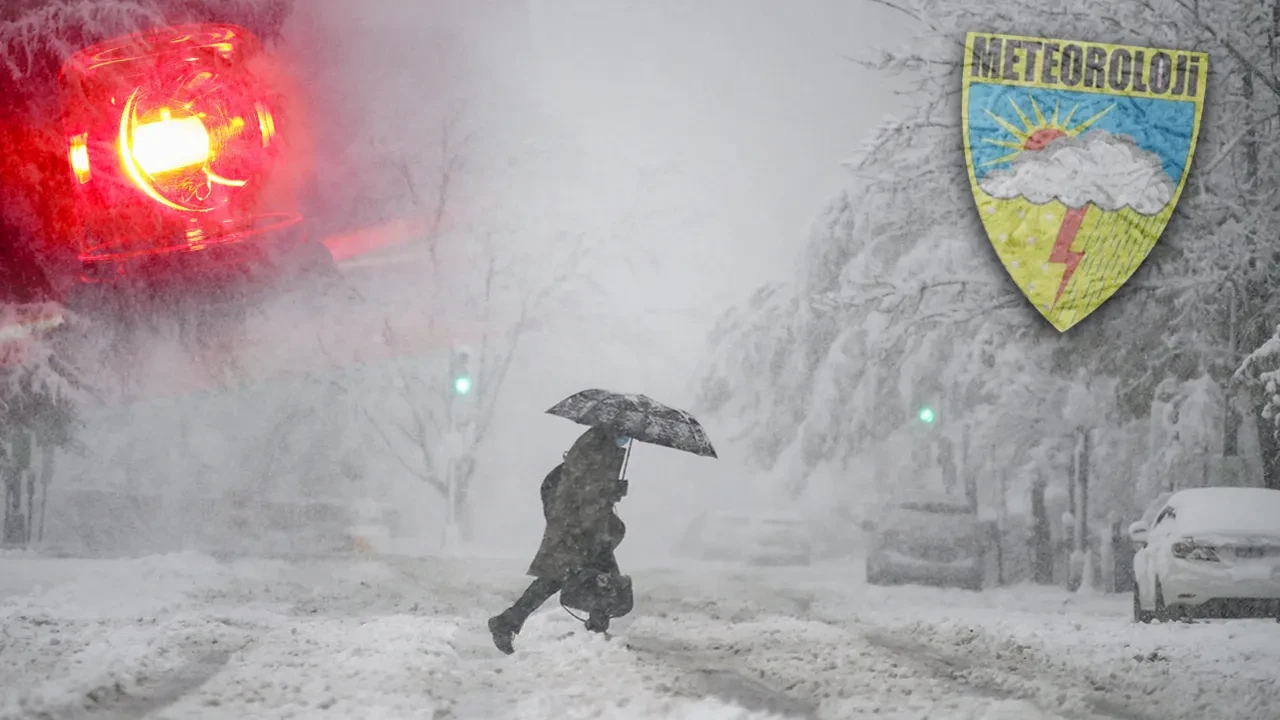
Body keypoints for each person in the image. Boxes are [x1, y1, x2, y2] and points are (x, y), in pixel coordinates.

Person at [487, 426, 630, 654]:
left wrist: (611, 491)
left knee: (571, 577)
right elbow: (583, 490)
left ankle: (508, 622)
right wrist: (610, 491)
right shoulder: (594, 446)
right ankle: (595, 634)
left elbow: (589, 489)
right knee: (582, 577)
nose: (628, 437)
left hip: (583, 527)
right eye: (626, 432)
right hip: (576, 527)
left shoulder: (602, 445)